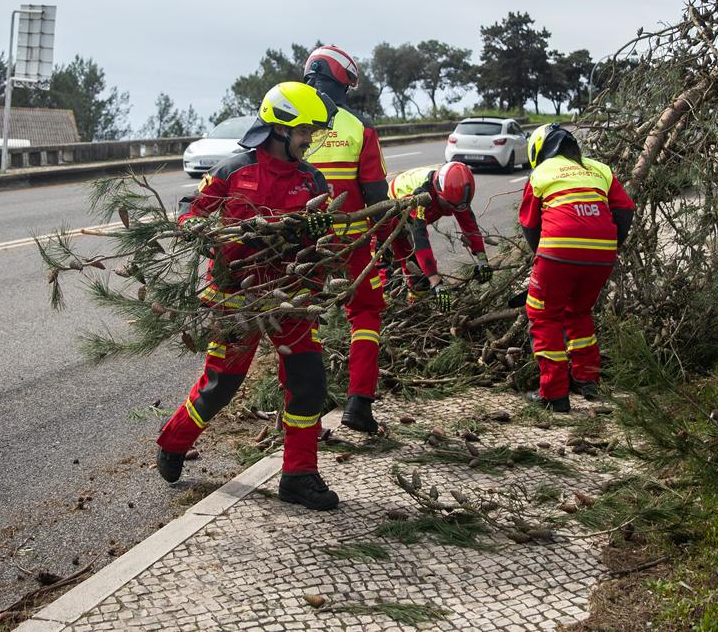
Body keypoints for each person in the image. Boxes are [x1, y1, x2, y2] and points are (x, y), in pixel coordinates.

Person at [156, 82, 341, 510]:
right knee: (222, 385)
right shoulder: (232, 171)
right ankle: (174, 440)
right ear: (279, 129)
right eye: (305, 132)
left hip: (289, 299)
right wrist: (196, 228)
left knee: (308, 382)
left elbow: (324, 241)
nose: (310, 141)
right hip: (236, 298)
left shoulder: (312, 181)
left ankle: (298, 475)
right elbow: (191, 211)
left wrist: (317, 236)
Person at [302, 45, 390, 435]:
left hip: (299, 246)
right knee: (366, 314)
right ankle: (359, 404)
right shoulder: (359, 127)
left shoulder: (289, 117)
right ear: (343, 80)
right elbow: (377, 198)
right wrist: (385, 246)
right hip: (351, 245)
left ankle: (308, 414)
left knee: (302, 321)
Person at [518, 123, 634, 412]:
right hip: (602, 255)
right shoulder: (600, 169)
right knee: (578, 311)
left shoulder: (542, 173)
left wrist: (544, 259)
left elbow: (530, 224)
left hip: (558, 252)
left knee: (544, 315)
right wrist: (608, 245)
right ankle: (587, 380)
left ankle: (554, 394)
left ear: (539, 151)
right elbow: (625, 210)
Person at [387, 161, 491, 310]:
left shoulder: (455, 191)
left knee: (421, 278)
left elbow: (469, 224)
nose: (452, 209)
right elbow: (420, 240)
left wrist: (482, 260)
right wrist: (436, 282)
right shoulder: (421, 197)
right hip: (392, 214)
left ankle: (418, 307)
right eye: (449, 205)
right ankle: (396, 312)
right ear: (438, 191)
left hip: (412, 213)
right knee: (404, 273)